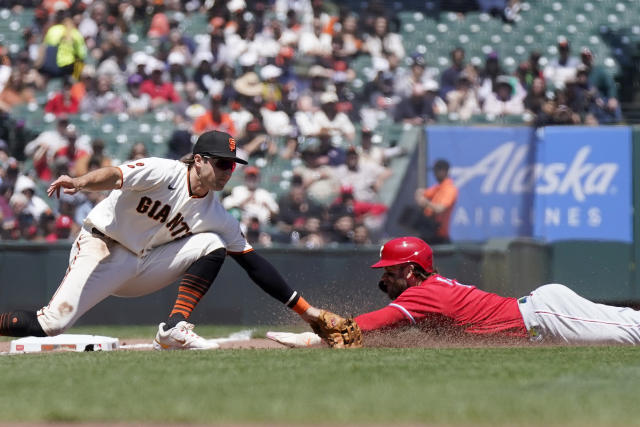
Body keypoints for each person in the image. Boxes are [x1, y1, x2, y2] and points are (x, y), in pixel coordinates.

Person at [0, 131, 339, 351]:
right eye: (222, 164)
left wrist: (309, 313)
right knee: (50, 325)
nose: (227, 172)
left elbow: (254, 265)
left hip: (144, 263)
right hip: (101, 247)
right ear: (200, 160)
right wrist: (81, 181)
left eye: (232, 167)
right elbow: (116, 175)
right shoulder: (163, 172)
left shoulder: (217, 214)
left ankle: (174, 328)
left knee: (212, 245)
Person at [268, 236, 640, 347]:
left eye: (391, 271)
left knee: (628, 332)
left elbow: (365, 324)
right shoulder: (426, 290)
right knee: (626, 323)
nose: (384, 279)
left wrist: (312, 337)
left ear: (411, 271)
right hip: (542, 317)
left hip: (544, 317)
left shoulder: (421, 295)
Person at [413, 159, 458, 244]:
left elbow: (440, 209)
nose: (434, 174)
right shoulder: (438, 187)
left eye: (436, 171)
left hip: (439, 235)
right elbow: (420, 192)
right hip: (428, 232)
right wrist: (421, 200)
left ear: (444, 171)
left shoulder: (450, 189)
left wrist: (426, 203)